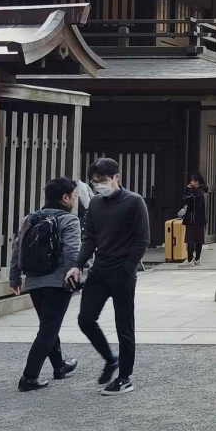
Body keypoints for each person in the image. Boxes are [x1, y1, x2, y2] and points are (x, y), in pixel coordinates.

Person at [66, 158, 149, 396]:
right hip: (99, 270)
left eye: (103, 180)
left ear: (116, 178)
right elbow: (90, 238)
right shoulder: (95, 203)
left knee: (124, 327)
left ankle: (125, 378)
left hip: (123, 272)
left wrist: (128, 269)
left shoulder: (134, 201)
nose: (99, 185)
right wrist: (77, 265)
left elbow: (142, 240)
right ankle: (110, 359)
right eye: (95, 181)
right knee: (85, 319)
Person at [9, 177, 81, 391]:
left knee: (48, 325)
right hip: (58, 281)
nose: (75, 200)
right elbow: (72, 251)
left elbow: (17, 249)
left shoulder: (31, 218)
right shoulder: (69, 220)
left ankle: (59, 366)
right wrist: (74, 277)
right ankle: (29, 377)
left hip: (34, 281)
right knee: (49, 328)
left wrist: (14, 278)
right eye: (74, 196)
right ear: (65, 198)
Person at [179, 173, 209, 267]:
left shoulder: (194, 194)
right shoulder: (204, 193)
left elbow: (185, 200)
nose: (191, 182)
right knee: (199, 240)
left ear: (197, 182)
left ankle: (190, 260)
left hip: (193, 220)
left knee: (190, 240)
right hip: (202, 220)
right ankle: (197, 259)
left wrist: (187, 190)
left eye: (192, 180)